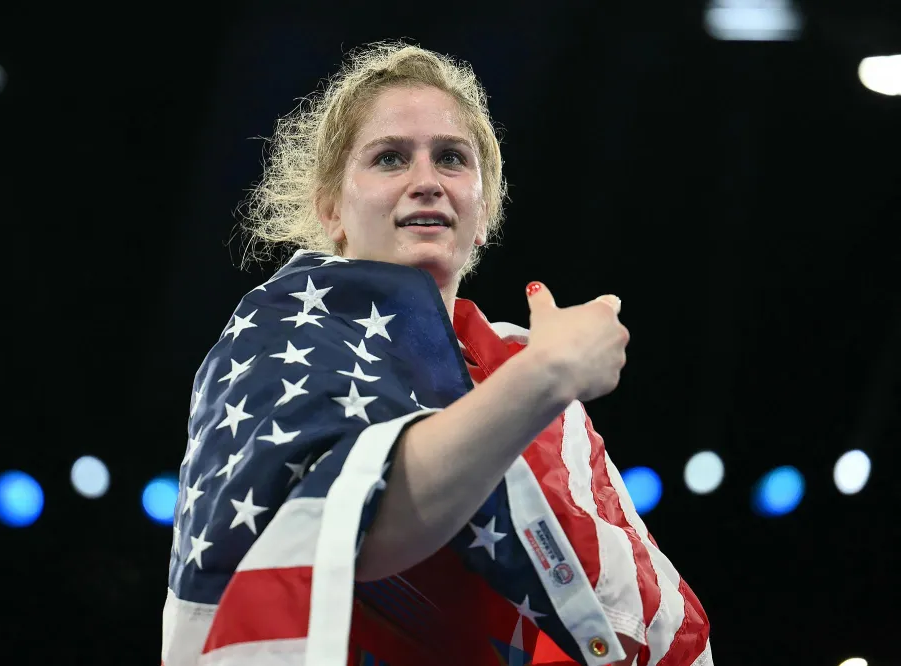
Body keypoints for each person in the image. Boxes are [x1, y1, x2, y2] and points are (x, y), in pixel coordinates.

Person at [162, 41, 712, 666]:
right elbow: (359, 530)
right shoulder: (282, 335)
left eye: (451, 158)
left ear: (483, 211)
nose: (426, 182)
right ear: (331, 208)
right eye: (390, 158)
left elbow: (622, 605)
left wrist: (538, 375)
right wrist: (546, 376)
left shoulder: (516, 361)